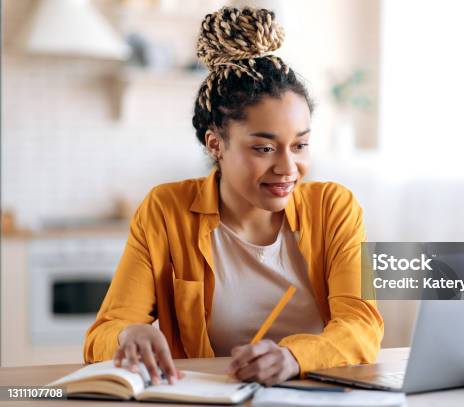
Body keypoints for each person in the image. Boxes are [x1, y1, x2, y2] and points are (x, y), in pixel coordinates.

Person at [83, 6, 383, 387]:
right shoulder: (165, 211)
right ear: (216, 144)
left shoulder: (335, 208)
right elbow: (101, 335)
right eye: (263, 148)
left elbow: (363, 324)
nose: (288, 167)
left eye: (300, 145)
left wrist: (293, 357)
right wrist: (127, 335)